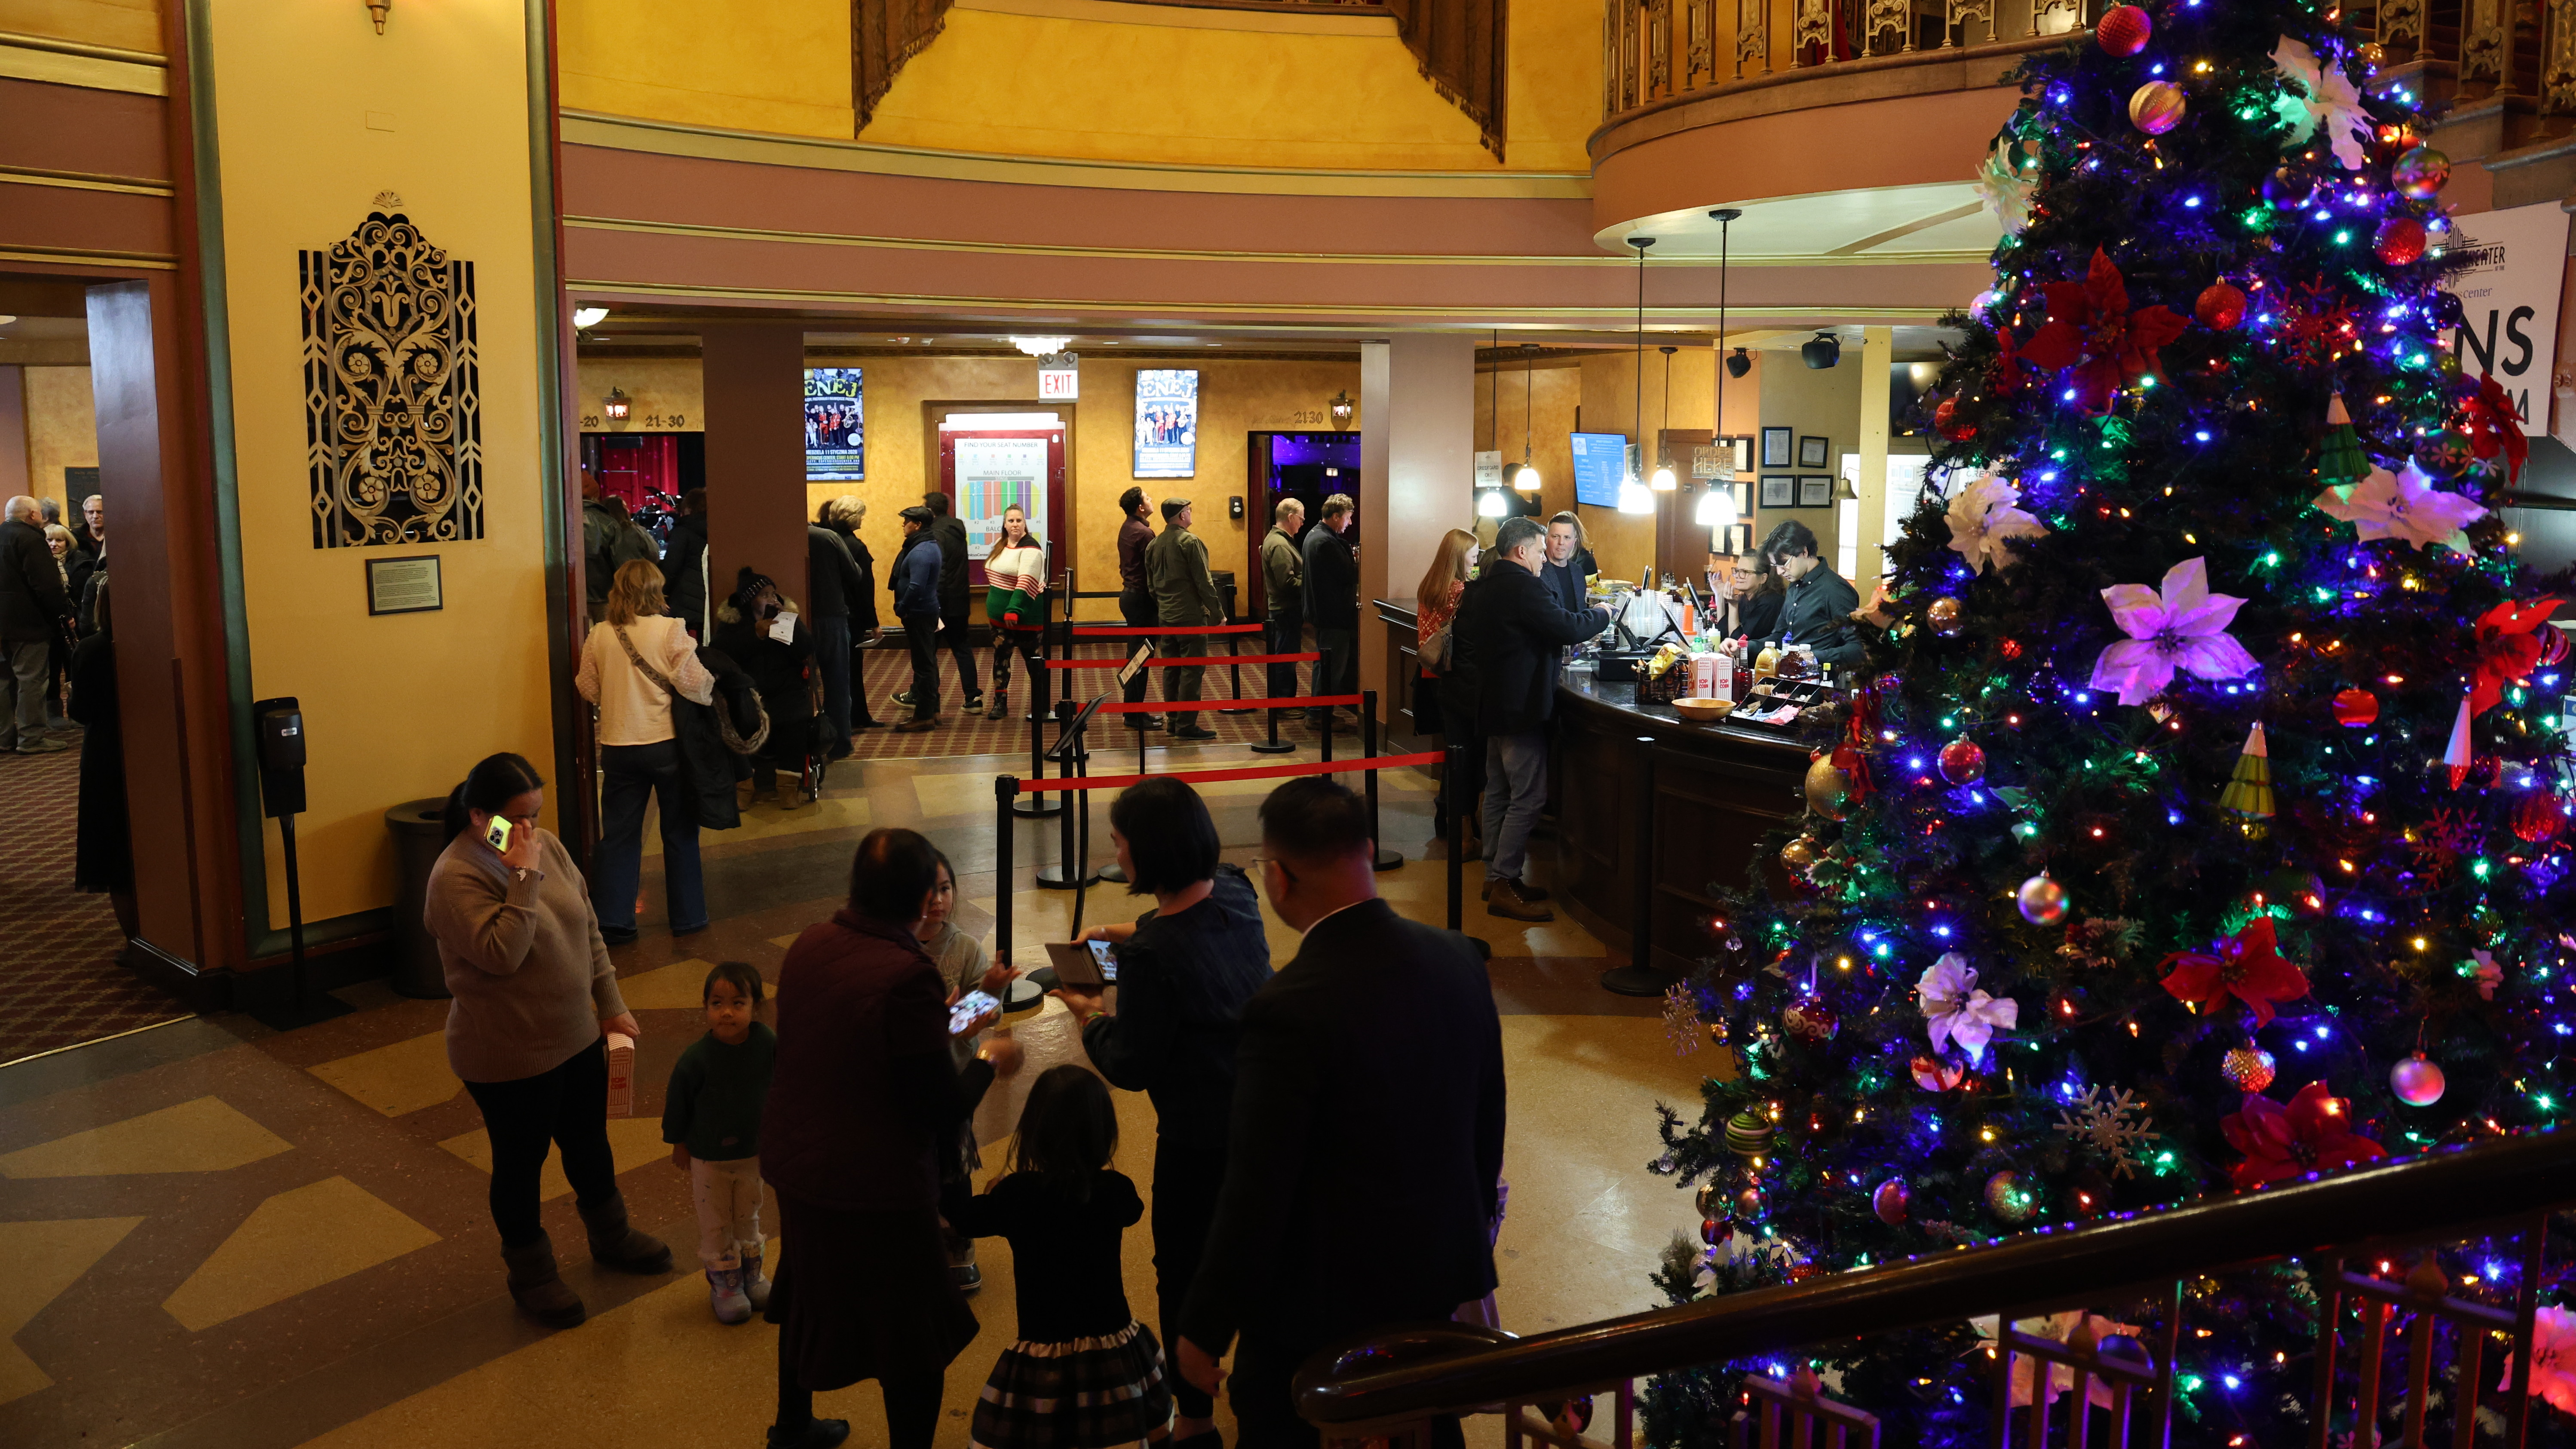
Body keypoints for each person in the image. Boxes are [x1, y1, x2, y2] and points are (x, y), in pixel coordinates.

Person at [1178, 778, 1506, 1449]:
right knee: (1426, 1420)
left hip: (1321, 1309)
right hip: (1434, 1280)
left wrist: (1206, 1325)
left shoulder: (1285, 1007)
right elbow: (1485, 1128)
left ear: (1277, 876)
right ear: (1367, 848)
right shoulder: (1459, 958)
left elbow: (1256, 1190)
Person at [761, 827, 1015, 1449]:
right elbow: (939, 1106)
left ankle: (792, 1426)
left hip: (799, 1164)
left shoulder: (810, 944)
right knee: (911, 1342)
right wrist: (989, 1057)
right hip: (874, 1183)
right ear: (923, 895)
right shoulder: (908, 974)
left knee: (804, 1296)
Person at [1052, 777, 1270, 1449]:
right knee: (1257, 1253)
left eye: (1119, 842)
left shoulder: (1150, 959)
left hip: (1197, 1137)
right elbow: (1179, 919)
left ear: (1147, 851)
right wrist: (1113, 933)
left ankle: (1196, 1424)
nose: (1115, 853)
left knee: (1184, 1268)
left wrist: (1088, 1016)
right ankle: (1259, 1385)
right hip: (1260, 1116)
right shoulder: (1237, 888)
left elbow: (1132, 1063)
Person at [424, 752, 670, 1328]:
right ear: (481, 815)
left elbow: (586, 925)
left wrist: (610, 1006)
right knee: (521, 1162)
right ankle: (532, 1273)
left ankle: (612, 1237)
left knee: (588, 1144)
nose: (531, 831)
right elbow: (503, 955)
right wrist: (523, 875)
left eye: (536, 814)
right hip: (506, 1055)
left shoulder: (547, 846)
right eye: (518, 818)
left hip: (575, 1035)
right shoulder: (454, 875)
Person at [940, 1066, 1175, 1449]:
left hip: (1043, 1342)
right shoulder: (1115, 1190)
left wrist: (986, 1187)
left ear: (1033, 1130)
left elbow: (962, 1218)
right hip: (1111, 1343)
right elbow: (1133, 1210)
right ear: (1105, 1132)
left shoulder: (1016, 1195)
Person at [1457, 515, 1612, 922]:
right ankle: (1506, 880)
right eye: (1542, 550)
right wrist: (1603, 614)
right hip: (1520, 706)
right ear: (1521, 551)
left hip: (1490, 703)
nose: (1546, 558)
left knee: (1498, 792)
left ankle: (1494, 876)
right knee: (1529, 796)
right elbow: (1566, 626)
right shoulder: (1525, 587)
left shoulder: (1485, 584)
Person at [574, 559, 714, 942]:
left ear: (618, 590)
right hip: (665, 744)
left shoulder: (600, 633)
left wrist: (618, 697)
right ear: (656, 591)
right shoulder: (671, 629)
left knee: (619, 836)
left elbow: (587, 686)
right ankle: (688, 917)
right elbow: (695, 684)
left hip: (618, 745)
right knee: (680, 833)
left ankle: (616, 920)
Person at [917, 846, 1022, 1292]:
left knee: (955, 1166)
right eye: (926, 890)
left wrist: (991, 990)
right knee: (919, 1164)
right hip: (911, 1083)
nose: (936, 899)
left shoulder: (963, 947)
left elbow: (971, 1024)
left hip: (956, 1079)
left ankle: (959, 1239)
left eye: (944, 888)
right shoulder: (896, 947)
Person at [663, 961, 777, 1324]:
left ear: (756, 1007)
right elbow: (677, 1104)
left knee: (749, 1215)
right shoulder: (695, 1060)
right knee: (716, 1222)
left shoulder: (766, 1044)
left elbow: (784, 1087)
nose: (727, 1012)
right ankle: (725, 1286)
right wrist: (678, 1143)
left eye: (738, 1003)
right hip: (710, 1158)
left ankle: (751, 1276)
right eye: (717, 1003)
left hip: (753, 1153)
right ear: (706, 1007)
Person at [67, 575, 136, 951]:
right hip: (146, 748)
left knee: (112, 852)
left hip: (104, 752)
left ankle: (134, 942)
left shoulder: (91, 649)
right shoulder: (150, 644)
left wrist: (71, 694)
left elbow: (81, 712)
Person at [713, 569, 815, 804]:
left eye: (773, 594)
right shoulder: (735, 624)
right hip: (749, 692)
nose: (772, 599)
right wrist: (755, 634)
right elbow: (720, 651)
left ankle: (789, 787)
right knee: (739, 720)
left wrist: (788, 621)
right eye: (765, 595)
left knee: (795, 718)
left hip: (785, 690)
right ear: (750, 600)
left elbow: (806, 648)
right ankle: (744, 787)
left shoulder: (784, 619)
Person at [1414, 528, 1482, 852]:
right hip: (1455, 677)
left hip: (1431, 673)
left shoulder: (1430, 585)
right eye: (1474, 555)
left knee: (1452, 750)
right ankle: (1460, 824)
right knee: (1462, 754)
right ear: (1460, 557)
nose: (1477, 561)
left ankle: (1446, 818)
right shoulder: (1460, 591)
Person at [1148, 497, 1224, 742]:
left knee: (1171, 670)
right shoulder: (1190, 542)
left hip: (1166, 617)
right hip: (1190, 617)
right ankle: (1186, 724)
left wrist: (1164, 607)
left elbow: (1151, 586)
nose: (1191, 514)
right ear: (1182, 515)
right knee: (1192, 670)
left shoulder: (1154, 544)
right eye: (1189, 511)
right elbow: (1204, 582)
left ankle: (1173, 721)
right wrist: (1217, 612)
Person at [0, 496, 72, 755]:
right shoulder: (31, 539)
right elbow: (47, 585)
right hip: (28, 624)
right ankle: (31, 738)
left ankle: (3, 737)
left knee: (3, 681)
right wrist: (62, 615)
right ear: (32, 515)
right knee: (31, 680)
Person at [801, 506, 866, 759]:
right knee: (838, 684)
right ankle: (839, 745)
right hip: (831, 618)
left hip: (795, 620)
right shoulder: (827, 537)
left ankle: (804, 745)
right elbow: (855, 574)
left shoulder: (779, 537)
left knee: (800, 685)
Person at [1758, 518, 1865, 667]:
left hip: (1819, 682)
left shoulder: (1835, 590)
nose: (1779, 571)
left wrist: (1809, 657)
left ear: (1804, 552)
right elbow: (1781, 636)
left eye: (1784, 564)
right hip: (1789, 675)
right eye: (1775, 565)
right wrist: (1743, 646)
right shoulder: (1795, 584)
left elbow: (1858, 649)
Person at [983, 503, 1049, 721]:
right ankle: (1000, 703)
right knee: (1001, 659)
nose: (1015, 524)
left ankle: (1041, 704)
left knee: (1033, 661)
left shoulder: (1031, 549)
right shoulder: (1002, 545)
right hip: (999, 621)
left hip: (1024, 619)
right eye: (1011, 521)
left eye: (1019, 520)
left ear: (1025, 524)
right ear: (1004, 524)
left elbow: (1026, 581)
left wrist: (1013, 610)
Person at [824, 497, 885, 731]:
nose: (862, 519)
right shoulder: (857, 547)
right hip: (854, 616)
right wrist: (874, 622)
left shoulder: (828, 541)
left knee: (838, 668)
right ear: (853, 517)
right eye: (861, 515)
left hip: (833, 612)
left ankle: (844, 716)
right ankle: (857, 716)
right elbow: (865, 588)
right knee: (853, 668)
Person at [921, 490, 983, 715]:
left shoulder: (936, 533)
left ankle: (927, 696)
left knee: (928, 651)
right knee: (962, 648)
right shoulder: (957, 529)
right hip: (959, 599)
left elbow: (940, 570)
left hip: (941, 602)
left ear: (930, 510)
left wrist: (933, 603)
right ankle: (973, 696)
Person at [1300, 493, 1359, 731]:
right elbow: (1349, 576)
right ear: (1336, 517)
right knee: (1331, 668)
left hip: (1321, 613)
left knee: (1324, 665)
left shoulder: (1314, 536)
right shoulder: (1327, 543)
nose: (1350, 523)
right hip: (1333, 615)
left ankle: (1318, 711)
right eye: (1348, 517)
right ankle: (1318, 715)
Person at [890, 506, 944, 733]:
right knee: (927, 663)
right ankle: (933, 710)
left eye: (907, 521)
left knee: (923, 666)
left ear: (918, 525)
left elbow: (916, 586)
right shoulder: (926, 545)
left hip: (919, 614)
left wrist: (902, 607)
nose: (904, 525)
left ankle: (924, 716)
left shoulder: (921, 551)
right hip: (923, 612)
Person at [1114, 486, 1162, 730]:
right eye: (1148, 497)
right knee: (1142, 656)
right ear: (1140, 508)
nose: (1152, 499)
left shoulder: (1127, 527)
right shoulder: (1144, 533)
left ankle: (1133, 710)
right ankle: (1133, 713)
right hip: (1142, 600)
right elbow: (1155, 571)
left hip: (1130, 597)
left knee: (1137, 654)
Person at [1259, 498, 1306, 719]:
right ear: (1290, 518)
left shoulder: (1280, 540)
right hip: (1285, 608)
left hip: (1284, 608)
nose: (1303, 522)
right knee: (1285, 658)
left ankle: (1285, 701)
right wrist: (1310, 583)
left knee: (1287, 656)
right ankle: (1282, 704)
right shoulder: (1279, 544)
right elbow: (1286, 583)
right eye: (1301, 518)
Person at [663, 489, 712, 638]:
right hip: (709, 600)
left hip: (684, 604)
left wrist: (661, 594)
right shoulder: (718, 528)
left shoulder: (682, 532)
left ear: (688, 509)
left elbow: (671, 568)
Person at [1711, 551, 1785, 642]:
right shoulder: (1745, 598)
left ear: (1763, 578)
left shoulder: (1771, 603)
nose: (1737, 576)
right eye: (1737, 571)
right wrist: (1719, 595)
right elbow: (1725, 637)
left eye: (1744, 572)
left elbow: (1740, 645)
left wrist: (1733, 606)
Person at [1541, 512, 1595, 616]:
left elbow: (1581, 612)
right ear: (1546, 539)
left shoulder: (1578, 571)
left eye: (1567, 538)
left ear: (1574, 542)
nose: (1561, 542)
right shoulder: (1537, 570)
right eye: (1556, 536)